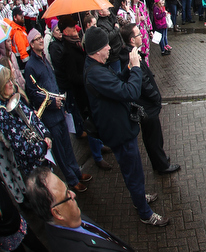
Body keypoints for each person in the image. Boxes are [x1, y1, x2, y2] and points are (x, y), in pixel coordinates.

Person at [82, 26, 169, 227]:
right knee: (133, 170)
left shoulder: (96, 68)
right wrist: (136, 68)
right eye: (105, 47)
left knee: (133, 169)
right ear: (96, 50)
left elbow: (115, 85)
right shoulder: (95, 73)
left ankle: (139, 197)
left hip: (118, 126)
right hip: (118, 130)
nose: (109, 50)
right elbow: (129, 92)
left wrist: (127, 71)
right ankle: (145, 213)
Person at [24, 29, 93, 193]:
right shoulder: (30, 67)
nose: (41, 40)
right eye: (38, 39)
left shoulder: (44, 60)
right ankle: (71, 179)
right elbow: (33, 93)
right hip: (49, 116)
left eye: (42, 37)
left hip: (59, 109)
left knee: (68, 145)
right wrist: (49, 103)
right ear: (31, 44)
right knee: (60, 150)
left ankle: (76, 172)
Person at [51, 16, 112, 171]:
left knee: (95, 119)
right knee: (90, 122)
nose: (76, 29)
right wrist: (87, 77)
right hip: (81, 93)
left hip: (86, 89)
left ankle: (99, 145)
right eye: (72, 28)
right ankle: (97, 156)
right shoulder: (68, 51)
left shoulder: (75, 43)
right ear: (66, 31)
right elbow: (72, 77)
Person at [119, 23, 180, 175]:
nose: (141, 36)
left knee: (153, 135)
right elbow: (143, 82)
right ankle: (161, 165)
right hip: (147, 105)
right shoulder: (130, 57)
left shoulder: (132, 53)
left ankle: (160, 159)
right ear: (132, 40)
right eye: (138, 34)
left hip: (146, 104)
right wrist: (155, 97)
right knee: (153, 136)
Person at [25, 166, 134, 251]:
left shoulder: (68, 218)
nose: (73, 194)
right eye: (67, 194)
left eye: (68, 188)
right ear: (57, 213)